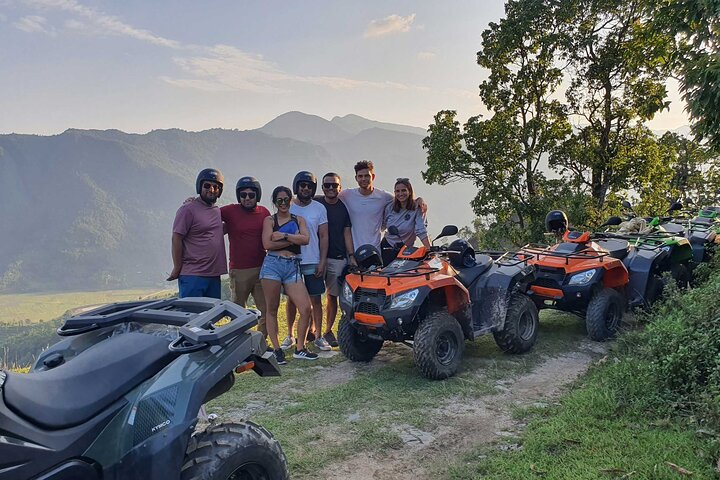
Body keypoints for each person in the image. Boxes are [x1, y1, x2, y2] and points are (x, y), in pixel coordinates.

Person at [260, 186, 318, 364]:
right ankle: (277, 350)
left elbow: (306, 239)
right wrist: (293, 238)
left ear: (291, 200)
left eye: (286, 199)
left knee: (306, 308)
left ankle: (300, 348)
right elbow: (267, 244)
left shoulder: (298, 219)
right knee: (272, 309)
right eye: (280, 200)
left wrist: (283, 235)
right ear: (275, 201)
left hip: (293, 266)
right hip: (273, 266)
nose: (283, 203)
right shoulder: (269, 220)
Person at [281, 171, 330, 352]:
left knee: (316, 299)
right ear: (296, 187)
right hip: (291, 261)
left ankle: (318, 336)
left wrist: (322, 261)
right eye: (302, 185)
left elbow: (324, 236)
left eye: (309, 186)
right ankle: (290, 335)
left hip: (312, 259)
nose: (306, 188)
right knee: (292, 300)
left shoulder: (319, 208)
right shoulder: (288, 206)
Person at [221, 176, 270, 338]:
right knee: (237, 310)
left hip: (262, 268)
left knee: (266, 308)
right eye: (243, 195)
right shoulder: (229, 211)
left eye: (251, 195)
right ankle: (237, 342)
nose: (247, 198)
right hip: (239, 270)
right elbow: (207, 212)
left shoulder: (264, 212)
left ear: (258, 195)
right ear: (238, 196)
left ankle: (262, 342)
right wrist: (193, 202)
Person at [168, 168, 227, 298]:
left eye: (215, 187)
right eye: (207, 185)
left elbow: (217, 231)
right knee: (191, 315)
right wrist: (177, 267)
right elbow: (176, 238)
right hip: (193, 275)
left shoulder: (217, 211)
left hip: (214, 275)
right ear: (199, 186)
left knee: (211, 316)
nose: (211, 189)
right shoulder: (187, 209)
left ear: (220, 191)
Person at [315, 172, 355, 347]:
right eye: (327, 185)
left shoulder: (343, 208)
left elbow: (347, 233)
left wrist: (351, 256)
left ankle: (327, 331)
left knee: (332, 297)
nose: (331, 188)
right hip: (315, 257)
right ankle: (311, 330)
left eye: (334, 185)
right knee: (313, 296)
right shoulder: (316, 203)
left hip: (337, 257)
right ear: (322, 187)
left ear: (340, 187)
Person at [338, 160, 394, 251]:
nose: (363, 179)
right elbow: (328, 197)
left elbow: (402, 199)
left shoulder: (384, 196)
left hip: (375, 251)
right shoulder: (347, 195)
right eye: (360, 176)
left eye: (367, 175)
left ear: (373, 177)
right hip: (354, 252)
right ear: (356, 178)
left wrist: (419, 200)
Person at [381, 178, 431, 265]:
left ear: (410, 191)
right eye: (397, 191)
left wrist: (429, 249)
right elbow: (382, 225)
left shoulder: (417, 207)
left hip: (407, 250)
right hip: (388, 247)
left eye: (404, 190)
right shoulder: (390, 208)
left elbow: (421, 230)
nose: (400, 194)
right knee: (387, 276)